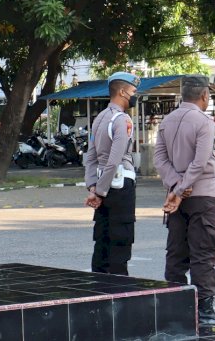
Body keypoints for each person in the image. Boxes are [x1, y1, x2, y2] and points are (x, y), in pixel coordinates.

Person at [153, 75, 215, 326]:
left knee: (176, 253)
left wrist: (175, 187)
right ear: (204, 96)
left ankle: (175, 308)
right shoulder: (204, 122)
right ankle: (204, 311)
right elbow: (200, 162)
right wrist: (184, 187)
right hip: (202, 196)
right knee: (204, 253)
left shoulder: (167, 121)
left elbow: (160, 159)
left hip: (176, 198)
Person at [83, 71, 140, 276]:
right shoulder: (122, 120)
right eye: (134, 91)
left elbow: (90, 157)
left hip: (102, 185)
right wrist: (100, 191)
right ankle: (119, 295)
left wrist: (93, 187)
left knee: (102, 242)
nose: (135, 95)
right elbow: (114, 161)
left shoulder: (100, 118)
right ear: (123, 92)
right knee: (120, 242)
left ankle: (99, 292)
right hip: (119, 187)